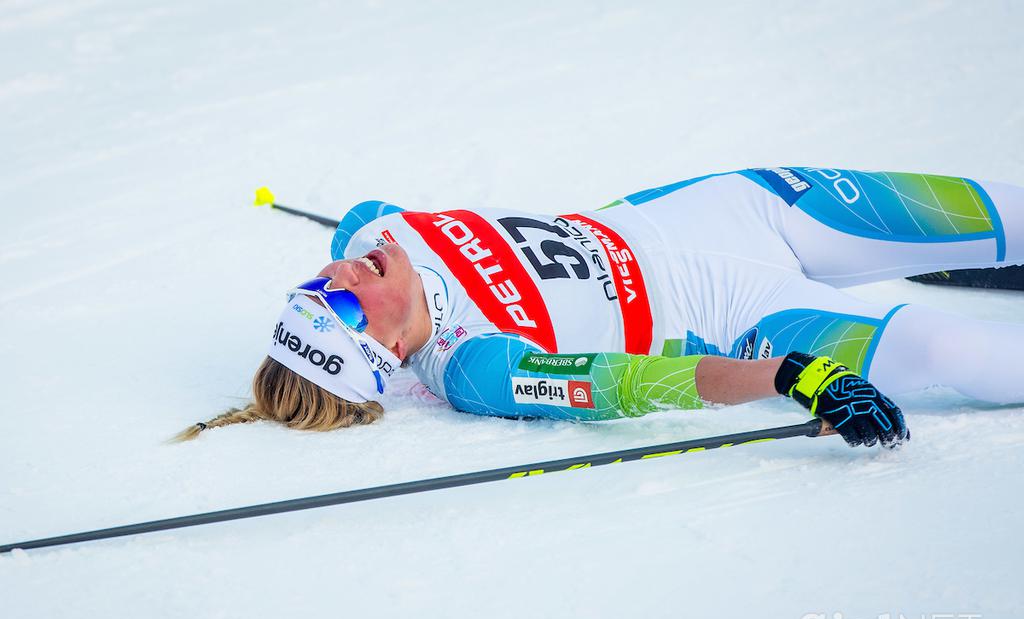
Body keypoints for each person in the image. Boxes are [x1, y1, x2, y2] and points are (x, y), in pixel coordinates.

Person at [175, 167, 1024, 448]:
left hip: (733, 206)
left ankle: (959, 259)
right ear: (387, 355)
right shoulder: (479, 367)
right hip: (753, 311)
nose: (340, 270)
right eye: (341, 302)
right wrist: (792, 376)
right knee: (964, 361)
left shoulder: (375, 229)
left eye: (314, 283)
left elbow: (357, 227)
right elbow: (646, 382)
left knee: (1004, 208)